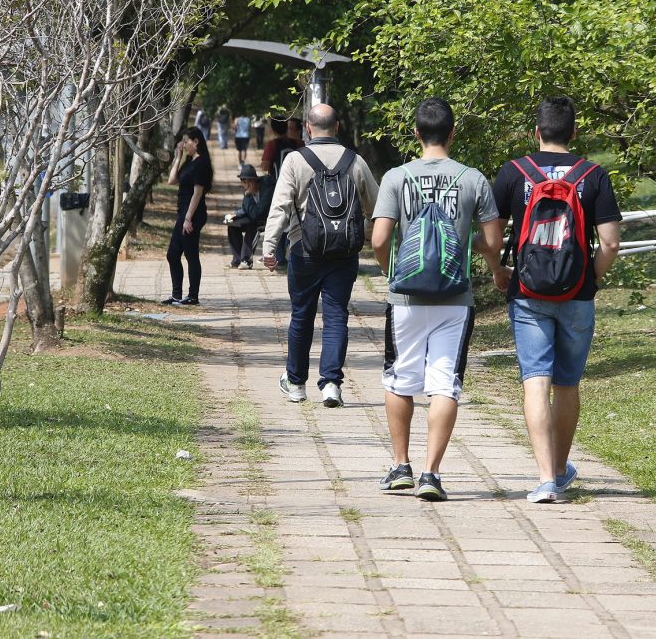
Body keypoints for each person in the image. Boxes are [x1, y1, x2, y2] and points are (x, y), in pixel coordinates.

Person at [370, 97, 505, 502]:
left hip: (406, 297)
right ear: (452, 132)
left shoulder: (397, 177)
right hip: (455, 297)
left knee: (400, 378)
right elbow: (494, 241)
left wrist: (390, 271)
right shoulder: (473, 179)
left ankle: (400, 466)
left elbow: (379, 239)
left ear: (416, 133)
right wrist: (468, 244)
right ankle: (431, 474)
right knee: (444, 383)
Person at [492, 96, 622, 503]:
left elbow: (492, 234)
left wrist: (498, 270)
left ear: (536, 132)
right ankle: (562, 470)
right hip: (578, 293)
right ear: (575, 132)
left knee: (535, 381)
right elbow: (611, 243)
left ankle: (546, 479)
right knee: (566, 384)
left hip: (528, 293)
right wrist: (590, 278)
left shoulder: (515, 173)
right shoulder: (594, 174)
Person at [261, 104, 378, 407]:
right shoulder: (356, 161)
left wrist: (269, 246)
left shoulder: (295, 161)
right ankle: (331, 385)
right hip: (344, 253)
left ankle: (296, 384)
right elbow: (376, 207)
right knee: (337, 315)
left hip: (304, 250)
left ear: (308, 129)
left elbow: (281, 206)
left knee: (302, 314)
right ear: (337, 126)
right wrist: (365, 236)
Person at [161, 126, 214, 306]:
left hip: (193, 212)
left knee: (191, 255)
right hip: (183, 211)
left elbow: (197, 193)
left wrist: (188, 218)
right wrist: (178, 157)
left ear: (196, 141)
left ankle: (193, 295)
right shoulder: (190, 161)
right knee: (173, 254)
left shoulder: (202, 163)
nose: (184, 145)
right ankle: (177, 295)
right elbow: (171, 180)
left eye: (186, 142)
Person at [226, 164, 272, 269]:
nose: (245, 185)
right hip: (254, 217)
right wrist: (233, 215)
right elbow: (245, 209)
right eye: (243, 182)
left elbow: (257, 214)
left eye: (246, 182)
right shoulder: (248, 193)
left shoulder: (266, 190)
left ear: (252, 181)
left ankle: (247, 260)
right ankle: (237, 260)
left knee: (252, 224)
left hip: (266, 219)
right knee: (232, 224)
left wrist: (248, 196)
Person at [260, 117, 303, 181]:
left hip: (277, 183)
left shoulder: (272, 144)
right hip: (296, 182)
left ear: (273, 130)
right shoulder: (299, 143)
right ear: (286, 128)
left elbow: (264, 167)